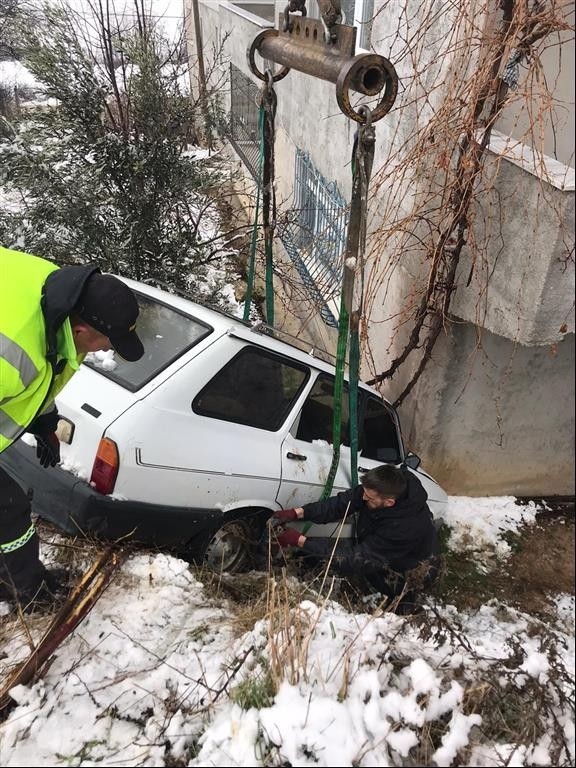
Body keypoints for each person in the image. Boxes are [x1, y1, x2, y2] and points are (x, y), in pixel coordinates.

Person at [1, 245, 144, 612]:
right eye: (106, 342)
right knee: (8, 506)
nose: (106, 349)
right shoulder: (13, 352)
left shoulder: (60, 297)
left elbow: (50, 369)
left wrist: (46, 420)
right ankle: (27, 593)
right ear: (81, 330)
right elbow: (28, 363)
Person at [270, 464, 441, 614]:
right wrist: (297, 513)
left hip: (407, 570)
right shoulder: (378, 489)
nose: (363, 497)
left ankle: (403, 607)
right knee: (321, 555)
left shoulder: (405, 527)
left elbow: (355, 560)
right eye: (364, 492)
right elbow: (337, 505)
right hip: (378, 548)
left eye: (369, 498)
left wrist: (300, 541)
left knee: (395, 606)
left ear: (389, 502)